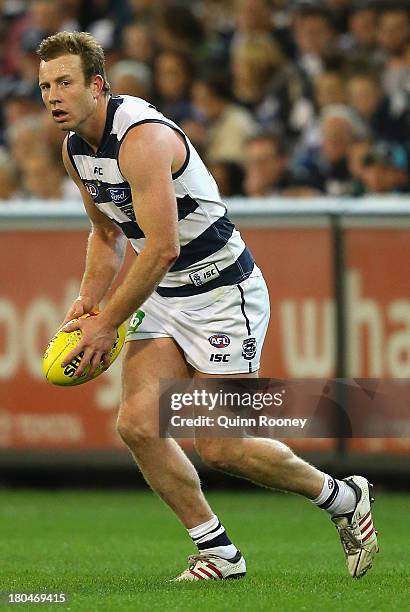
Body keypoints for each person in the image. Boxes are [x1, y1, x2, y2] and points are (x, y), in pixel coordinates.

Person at [37, 31, 378, 581]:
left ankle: (342, 498)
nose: (53, 95)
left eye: (65, 83)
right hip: (166, 294)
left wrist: (106, 323)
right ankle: (219, 553)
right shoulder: (75, 147)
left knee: (221, 445)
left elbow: (165, 245)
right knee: (139, 426)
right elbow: (106, 235)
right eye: (46, 86)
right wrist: (87, 299)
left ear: (96, 85)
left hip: (223, 293)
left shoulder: (141, 139)